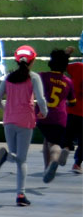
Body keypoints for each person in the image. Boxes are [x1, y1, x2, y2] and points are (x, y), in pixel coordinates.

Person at [0, 46, 48, 206]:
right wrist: (44, 112)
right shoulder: (34, 77)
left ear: (16, 60)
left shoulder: (8, 78)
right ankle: (20, 195)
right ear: (33, 60)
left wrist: (6, 108)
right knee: (22, 160)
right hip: (26, 121)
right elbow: (41, 99)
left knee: (15, 155)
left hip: (9, 120)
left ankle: (5, 156)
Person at [36, 49, 76, 183]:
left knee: (47, 139)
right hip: (59, 117)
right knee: (55, 144)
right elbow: (72, 102)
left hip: (42, 116)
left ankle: (47, 167)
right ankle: (54, 160)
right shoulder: (68, 81)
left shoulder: (42, 76)